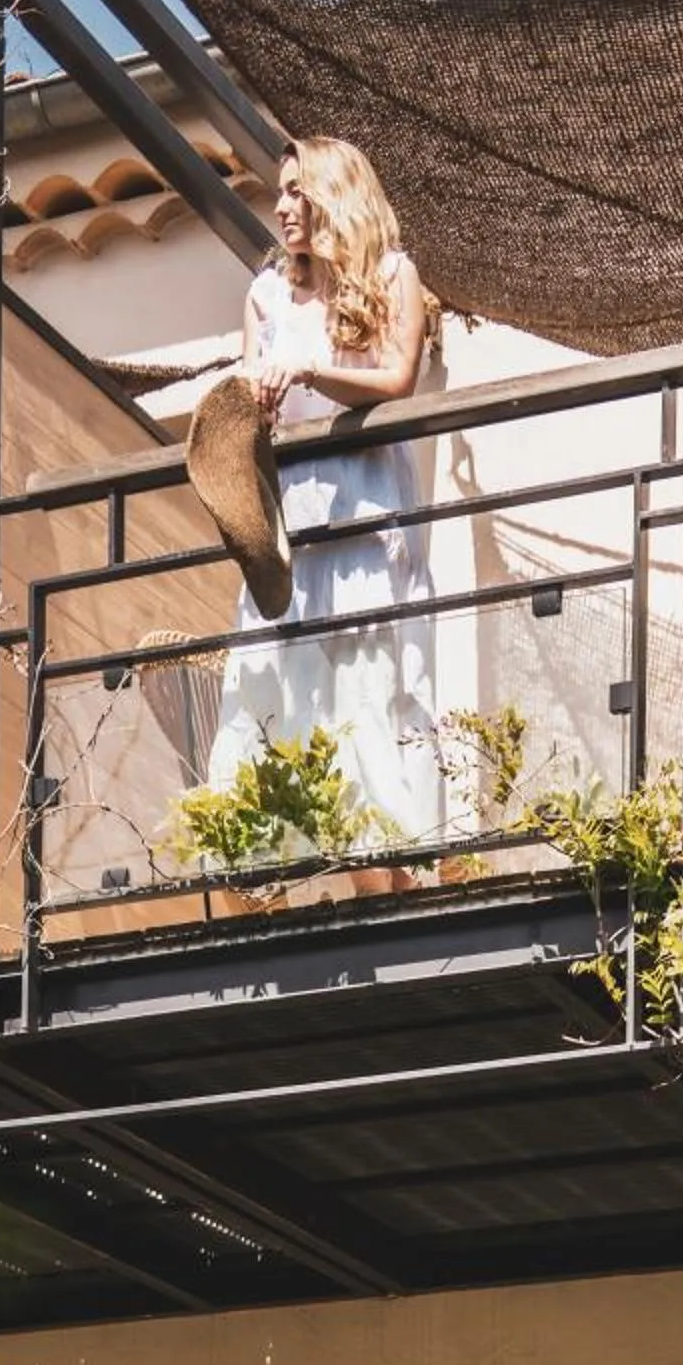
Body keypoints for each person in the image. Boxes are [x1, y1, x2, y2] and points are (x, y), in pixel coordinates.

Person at [203, 135, 441, 843]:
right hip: (288, 525)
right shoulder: (267, 293)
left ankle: (384, 879)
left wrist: (307, 371)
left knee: (366, 703)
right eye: (279, 192)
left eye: (295, 191)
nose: (280, 206)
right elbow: (247, 400)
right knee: (276, 699)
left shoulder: (394, 275)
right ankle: (275, 878)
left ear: (335, 194)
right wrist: (258, 396)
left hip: (363, 513)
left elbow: (397, 378)